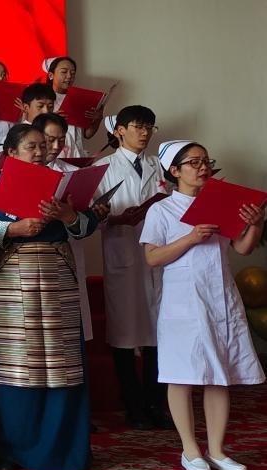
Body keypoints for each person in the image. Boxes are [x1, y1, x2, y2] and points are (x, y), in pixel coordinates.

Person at [0, 123, 98, 470]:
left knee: (61, 362)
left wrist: (68, 215)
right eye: (31, 146)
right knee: (14, 364)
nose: (41, 152)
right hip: (9, 276)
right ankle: (8, 448)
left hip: (56, 276)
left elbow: (87, 225)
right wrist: (13, 228)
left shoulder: (61, 182)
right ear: (11, 153)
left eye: (44, 145)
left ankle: (62, 448)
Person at [141, 140, 265, 470]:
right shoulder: (162, 210)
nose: (202, 168)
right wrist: (190, 238)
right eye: (193, 162)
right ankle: (190, 450)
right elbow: (152, 257)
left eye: (206, 161)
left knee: (219, 375)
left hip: (220, 297)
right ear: (174, 171)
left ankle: (217, 450)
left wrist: (255, 223)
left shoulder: (220, 203)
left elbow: (242, 248)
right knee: (180, 374)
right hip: (182, 301)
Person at [93, 106, 171, 430]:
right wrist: (114, 219)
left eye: (149, 127)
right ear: (119, 130)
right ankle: (133, 404)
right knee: (125, 333)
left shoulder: (159, 165)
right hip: (123, 252)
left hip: (156, 255)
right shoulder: (102, 167)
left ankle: (156, 403)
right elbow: (91, 216)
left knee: (157, 332)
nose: (144, 133)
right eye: (138, 126)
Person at [35, 112, 97, 343]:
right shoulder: (19, 170)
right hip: (28, 257)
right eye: (49, 139)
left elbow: (88, 219)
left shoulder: (73, 173)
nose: (55, 146)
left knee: (67, 322)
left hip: (65, 251)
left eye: (61, 140)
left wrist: (70, 215)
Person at [44, 56, 102, 158]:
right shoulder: (42, 99)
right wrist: (52, 119)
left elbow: (87, 134)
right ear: (51, 75)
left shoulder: (79, 98)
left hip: (77, 154)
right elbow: (32, 128)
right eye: (64, 72)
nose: (69, 76)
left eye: (73, 73)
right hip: (53, 156)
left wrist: (98, 119)